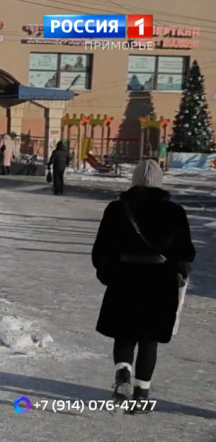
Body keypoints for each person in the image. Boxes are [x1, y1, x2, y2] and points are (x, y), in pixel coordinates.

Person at [91, 160, 195, 414]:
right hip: (161, 282)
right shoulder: (175, 212)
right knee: (150, 340)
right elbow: (185, 252)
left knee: (124, 334)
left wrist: (107, 273)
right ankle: (141, 395)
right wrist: (180, 272)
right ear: (159, 183)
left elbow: (100, 249)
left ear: (134, 181)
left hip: (124, 278)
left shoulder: (117, 209)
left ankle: (123, 372)